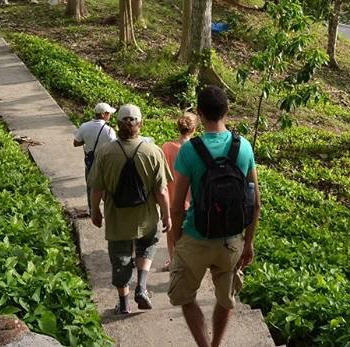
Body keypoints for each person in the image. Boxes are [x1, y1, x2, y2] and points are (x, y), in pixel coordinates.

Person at [168, 86, 261, 347]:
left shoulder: (189, 150)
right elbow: (255, 203)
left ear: (199, 113)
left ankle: (204, 346)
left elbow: (177, 207)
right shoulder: (243, 146)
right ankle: (216, 344)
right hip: (230, 240)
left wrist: (176, 241)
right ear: (227, 110)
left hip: (196, 237)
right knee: (225, 299)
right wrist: (249, 242)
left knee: (186, 297)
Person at [89, 104, 172, 315]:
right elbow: (161, 191)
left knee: (120, 258)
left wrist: (94, 210)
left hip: (117, 217)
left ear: (117, 124)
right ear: (140, 123)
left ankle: (124, 303)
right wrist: (167, 215)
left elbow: (96, 187)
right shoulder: (153, 152)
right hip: (146, 217)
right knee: (147, 247)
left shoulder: (105, 152)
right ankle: (142, 287)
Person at [161, 112, 197, 270]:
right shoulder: (197, 149)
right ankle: (188, 263)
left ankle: (173, 261)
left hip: (171, 199)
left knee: (171, 234)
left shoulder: (167, 148)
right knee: (190, 236)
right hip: (193, 201)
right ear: (194, 129)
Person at [74, 102, 117, 217]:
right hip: (104, 164)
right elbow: (115, 148)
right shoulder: (109, 131)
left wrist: (88, 141)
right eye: (108, 113)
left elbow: (76, 143)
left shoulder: (84, 126)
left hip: (90, 163)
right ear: (103, 114)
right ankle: (109, 210)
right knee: (106, 188)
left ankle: (92, 210)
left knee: (90, 187)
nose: (110, 116)